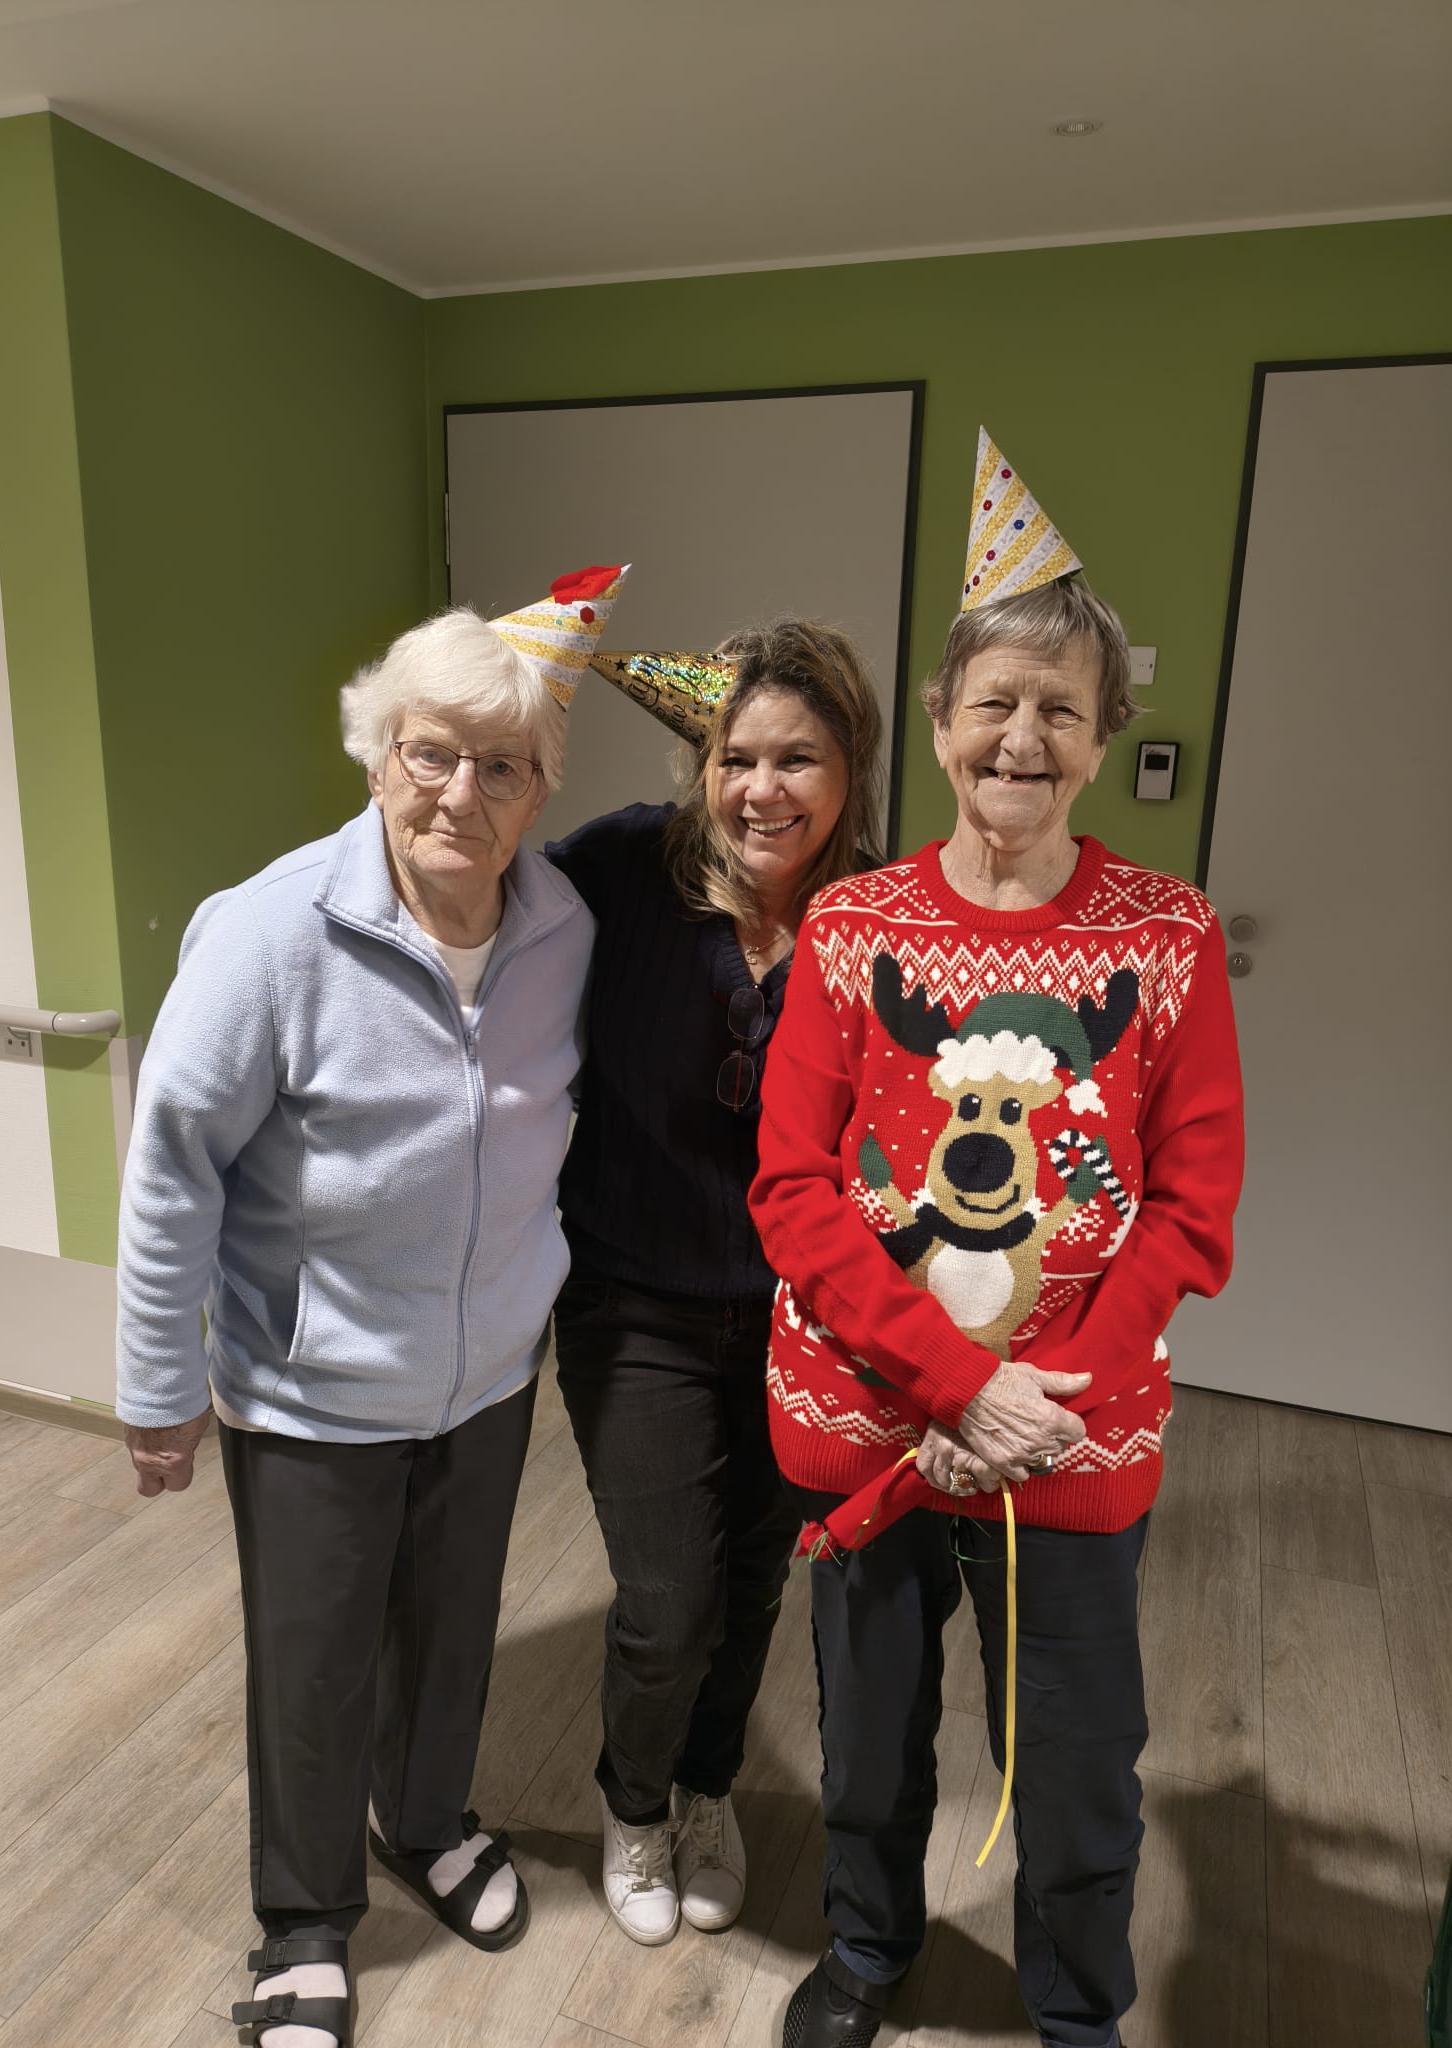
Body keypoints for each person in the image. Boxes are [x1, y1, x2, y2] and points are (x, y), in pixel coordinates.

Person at [749, 432, 1244, 2048]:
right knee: (870, 1733)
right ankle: (868, 1952)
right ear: (944, 721)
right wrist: (959, 1383)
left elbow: (1191, 1205)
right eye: (994, 705)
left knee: (1083, 1760)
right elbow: (794, 1190)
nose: (1022, 738)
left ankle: (1078, 2011)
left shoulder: (1167, 938)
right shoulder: (851, 927)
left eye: (1061, 710)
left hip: (1076, 1435)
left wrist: (1047, 1396)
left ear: (1104, 737)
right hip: (874, 1418)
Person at [115, 571, 626, 2048]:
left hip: (486, 1374)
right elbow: (173, 1171)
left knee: (451, 1634)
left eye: (501, 766)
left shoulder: (564, 930)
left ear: (540, 792)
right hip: (310, 1390)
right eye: (430, 751)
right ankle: (302, 1923)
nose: (460, 792)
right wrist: (159, 1387)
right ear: (376, 753)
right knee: (316, 1664)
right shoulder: (272, 935)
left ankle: (426, 1818)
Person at [545, 621, 887, 1945]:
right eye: (736, 757)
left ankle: (704, 1790)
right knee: (667, 1602)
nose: (761, 789)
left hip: (805, 1318)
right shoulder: (622, 870)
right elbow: (467, 908)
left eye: (797, 758)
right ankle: (633, 1803)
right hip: (634, 1299)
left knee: (750, 1586)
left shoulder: (880, 921)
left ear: (851, 766)